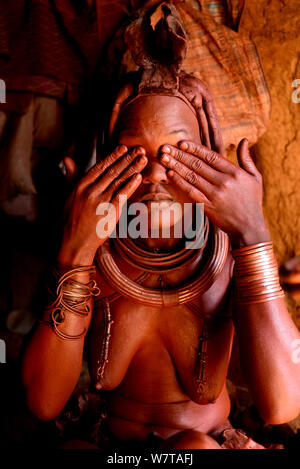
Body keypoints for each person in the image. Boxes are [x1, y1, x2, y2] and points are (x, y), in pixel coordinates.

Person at [22, 4, 300, 450]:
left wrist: (253, 233)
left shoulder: (228, 246)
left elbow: (282, 405)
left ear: (210, 158)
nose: (154, 175)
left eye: (178, 153)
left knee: (195, 449)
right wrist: (74, 255)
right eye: (133, 153)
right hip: (112, 444)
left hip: (207, 443)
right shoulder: (95, 243)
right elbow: (42, 402)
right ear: (107, 158)